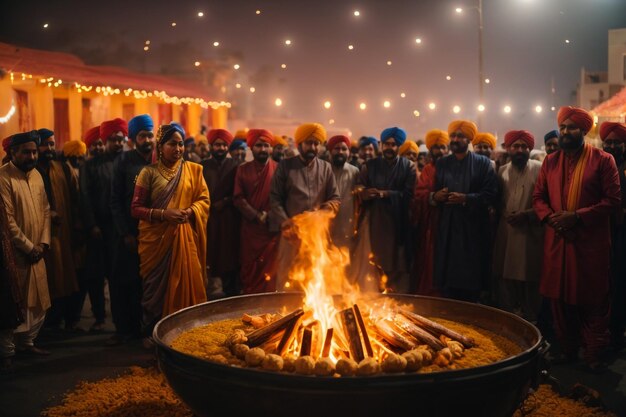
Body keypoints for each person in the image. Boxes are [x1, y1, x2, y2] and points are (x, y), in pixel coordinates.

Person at [533, 106, 621, 372]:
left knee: (593, 299)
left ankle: (593, 353)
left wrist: (577, 217)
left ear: (584, 130)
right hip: (557, 242)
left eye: (571, 127)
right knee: (558, 301)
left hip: (589, 244)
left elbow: (613, 201)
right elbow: (538, 198)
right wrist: (551, 218)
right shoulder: (550, 162)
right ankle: (568, 350)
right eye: (562, 127)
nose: (565, 132)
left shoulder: (603, 160)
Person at [131, 122, 209, 335]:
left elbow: (204, 199)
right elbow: (136, 209)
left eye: (181, 144)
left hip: (184, 238)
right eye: (172, 144)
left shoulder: (193, 170)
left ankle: (183, 332)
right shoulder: (148, 173)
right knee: (154, 291)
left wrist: (191, 211)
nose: (178, 149)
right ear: (160, 146)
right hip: (155, 243)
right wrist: (165, 214)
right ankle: (152, 332)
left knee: (187, 284)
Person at [269, 123, 340, 290]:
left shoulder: (326, 168)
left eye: (316, 143)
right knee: (288, 278)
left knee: (316, 279)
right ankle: (285, 313)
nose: (312, 147)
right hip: (291, 236)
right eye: (309, 143)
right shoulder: (285, 166)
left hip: (317, 236)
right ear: (300, 144)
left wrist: (322, 213)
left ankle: (314, 314)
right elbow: (275, 199)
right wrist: (287, 223)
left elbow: (335, 199)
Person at [432, 120, 498, 302]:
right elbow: (433, 193)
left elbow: (491, 194)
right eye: (453, 135)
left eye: (460, 136)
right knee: (448, 281)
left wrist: (466, 199)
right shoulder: (442, 163)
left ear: (469, 139)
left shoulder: (483, 163)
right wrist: (436, 196)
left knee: (471, 282)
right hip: (449, 228)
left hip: (473, 229)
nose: (455, 139)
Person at [0, 131, 51, 362]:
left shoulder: (37, 175)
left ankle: (27, 343)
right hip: (14, 254)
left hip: (37, 250)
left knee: (37, 302)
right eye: (26, 152)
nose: (31, 156)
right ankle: (7, 352)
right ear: (13, 153)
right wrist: (29, 247)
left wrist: (43, 242)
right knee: (13, 302)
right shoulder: (3, 178)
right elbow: (6, 220)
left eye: (33, 151)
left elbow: (46, 211)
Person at [109, 114, 155, 344]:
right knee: (123, 282)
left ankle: (145, 330)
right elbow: (115, 199)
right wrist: (124, 233)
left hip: (154, 235)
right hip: (128, 233)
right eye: (143, 135)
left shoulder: (159, 160)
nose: (148, 139)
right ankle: (122, 330)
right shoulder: (124, 161)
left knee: (147, 284)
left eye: (150, 134)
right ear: (134, 138)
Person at [81, 118, 126, 342]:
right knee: (97, 276)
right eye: (113, 140)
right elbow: (85, 197)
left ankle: (122, 322)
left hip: (122, 230)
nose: (117, 143)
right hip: (100, 230)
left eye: (120, 139)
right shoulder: (91, 165)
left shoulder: (127, 161)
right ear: (105, 140)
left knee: (120, 277)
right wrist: (92, 225)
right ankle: (99, 318)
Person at [492, 130, 543, 322]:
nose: (520, 150)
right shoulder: (502, 170)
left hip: (531, 233)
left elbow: (547, 200)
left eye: (524, 146)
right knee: (506, 278)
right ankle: (511, 323)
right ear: (508, 148)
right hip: (506, 231)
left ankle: (533, 324)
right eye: (516, 146)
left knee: (530, 280)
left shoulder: (540, 168)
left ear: (529, 148)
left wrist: (528, 215)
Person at [357, 127, 416, 293]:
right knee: (373, 264)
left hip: (398, 222)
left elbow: (408, 195)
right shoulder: (369, 166)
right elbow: (359, 186)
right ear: (381, 145)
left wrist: (385, 194)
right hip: (374, 221)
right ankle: (372, 302)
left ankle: (394, 303)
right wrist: (364, 192)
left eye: (394, 144)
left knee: (397, 265)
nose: (390, 147)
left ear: (399, 146)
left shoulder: (408, 167)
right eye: (387, 144)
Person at [35, 129, 79, 331]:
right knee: (45, 278)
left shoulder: (62, 169)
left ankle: (65, 320)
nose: (50, 148)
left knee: (64, 275)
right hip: (38, 235)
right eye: (45, 144)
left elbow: (75, 198)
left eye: (52, 144)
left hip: (63, 231)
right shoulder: (30, 171)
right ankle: (44, 325)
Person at [233, 129, 279, 294]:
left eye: (266, 145)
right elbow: (238, 198)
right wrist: (256, 215)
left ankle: (270, 307)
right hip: (250, 230)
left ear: (271, 148)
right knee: (250, 269)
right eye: (259, 145)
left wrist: (271, 215)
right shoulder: (242, 169)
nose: (263, 149)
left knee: (271, 271)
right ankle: (250, 303)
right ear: (251, 148)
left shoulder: (278, 169)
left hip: (271, 230)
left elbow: (283, 198)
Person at [202, 128, 241, 298]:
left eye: (224, 145)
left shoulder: (236, 166)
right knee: (209, 258)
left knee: (229, 259)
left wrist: (225, 202)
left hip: (229, 220)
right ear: (211, 146)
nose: (221, 148)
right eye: (217, 145)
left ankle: (231, 297)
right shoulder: (202, 166)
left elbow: (240, 193)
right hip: (208, 219)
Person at [598, 121, 626, 351]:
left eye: (617, 142)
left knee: (619, 281)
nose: (612, 146)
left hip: (621, 232)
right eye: (608, 142)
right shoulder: (597, 165)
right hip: (599, 229)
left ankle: (617, 332)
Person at [412, 129, 449, 295]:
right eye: (436, 148)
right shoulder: (428, 169)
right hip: (432, 223)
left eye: (443, 147)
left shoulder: (453, 167)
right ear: (430, 149)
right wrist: (434, 196)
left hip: (452, 223)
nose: (440, 151)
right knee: (431, 260)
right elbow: (419, 193)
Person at [327, 135, 360, 249]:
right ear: (330, 151)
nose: (340, 152)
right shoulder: (323, 169)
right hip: (324, 228)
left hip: (346, 228)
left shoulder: (355, 172)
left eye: (344, 149)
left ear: (349, 152)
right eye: (336, 148)